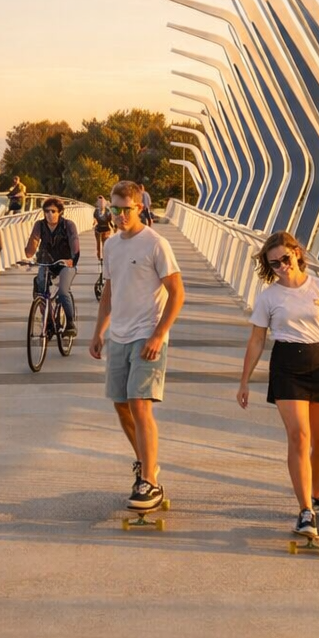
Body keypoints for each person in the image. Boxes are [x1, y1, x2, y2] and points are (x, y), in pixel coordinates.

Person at [236, 231, 319, 538]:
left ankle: (318, 495)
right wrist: (244, 381)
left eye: (285, 259)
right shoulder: (269, 296)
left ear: (297, 252)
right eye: (274, 264)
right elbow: (257, 340)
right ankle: (305, 511)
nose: (282, 267)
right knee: (300, 437)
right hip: (286, 367)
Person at [90, 180, 185, 511]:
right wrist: (99, 331)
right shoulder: (113, 245)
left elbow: (177, 293)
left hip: (148, 335)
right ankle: (146, 463)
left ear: (140, 207)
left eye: (125, 209)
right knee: (120, 404)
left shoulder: (156, 244)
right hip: (119, 334)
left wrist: (159, 335)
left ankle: (150, 481)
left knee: (139, 403)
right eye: (114, 209)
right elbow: (110, 291)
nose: (118, 216)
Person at [25, 197, 80, 335]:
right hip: (47, 262)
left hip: (65, 263)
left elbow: (74, 241)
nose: (49, 214)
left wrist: (73, 259)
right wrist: (29, 252)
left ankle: (70, 324)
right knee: (40, 291)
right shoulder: (40, 225)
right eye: (46, 211)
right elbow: (34, 239)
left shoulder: (68, 225)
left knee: (62, 292)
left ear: (60, 212)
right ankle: (48, 321)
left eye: (53, 211)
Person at [91, 195, 115, 260]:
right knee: (98, 243)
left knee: (105, 244)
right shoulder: (96, 211)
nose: (101, 204)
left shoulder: (107, 211)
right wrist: (94, 223)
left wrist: (113, 226)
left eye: (102, 202)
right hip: (98, 229)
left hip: (106, 229)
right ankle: (99, 256)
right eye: (99, 202)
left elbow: (110, 220)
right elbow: (94, 219)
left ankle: (105, 256)